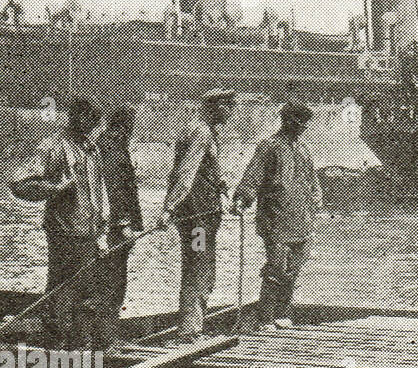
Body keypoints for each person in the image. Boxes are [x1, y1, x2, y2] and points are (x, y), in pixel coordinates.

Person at [232, 101, 321, 332]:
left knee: (294, 269)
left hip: (302, 220)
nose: (302, 126)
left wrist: (316, 202)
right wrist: (243, 198)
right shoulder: (269, 147)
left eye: (305, 122)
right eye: (298, 121)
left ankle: (283, 313)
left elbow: (313, 182)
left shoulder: (304, 149)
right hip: (276, 220)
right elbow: (253, 177)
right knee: (276, 269)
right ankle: (265, 318)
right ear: (287, 120)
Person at [160, 89, 236, 341]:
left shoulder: (203, 130)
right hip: (197, 219)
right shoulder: (201, 132)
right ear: (214, 106)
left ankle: (193, 326)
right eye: (228, 105)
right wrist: (169, 208)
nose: (232, 110)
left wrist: (223, 187)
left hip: (204, 216)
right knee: (197, 266)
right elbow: (185, 174)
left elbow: (209, 170)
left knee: (201, 265)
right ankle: (190, 331)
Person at [36, 99, 109, 347]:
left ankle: (80, 344)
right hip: (64, 231)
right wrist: (56, 187)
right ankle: (54, 344)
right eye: (90, 118)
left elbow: (97, 193)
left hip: (88, 232)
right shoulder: (55, 146)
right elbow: (19, 182)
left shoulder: (92, 149)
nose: (95, 124)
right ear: (79, 118)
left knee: (88, 290)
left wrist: (101, 229)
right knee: (61, 289)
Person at [98, 107, 144, 342]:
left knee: (107, 280)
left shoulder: (107, 144)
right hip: (115, 229)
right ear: (126, 125)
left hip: (108, 227)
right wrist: (125, 224)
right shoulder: (114, 147)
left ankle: (104, 335)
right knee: (112, 282)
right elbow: (115, 189)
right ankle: (107, 338)